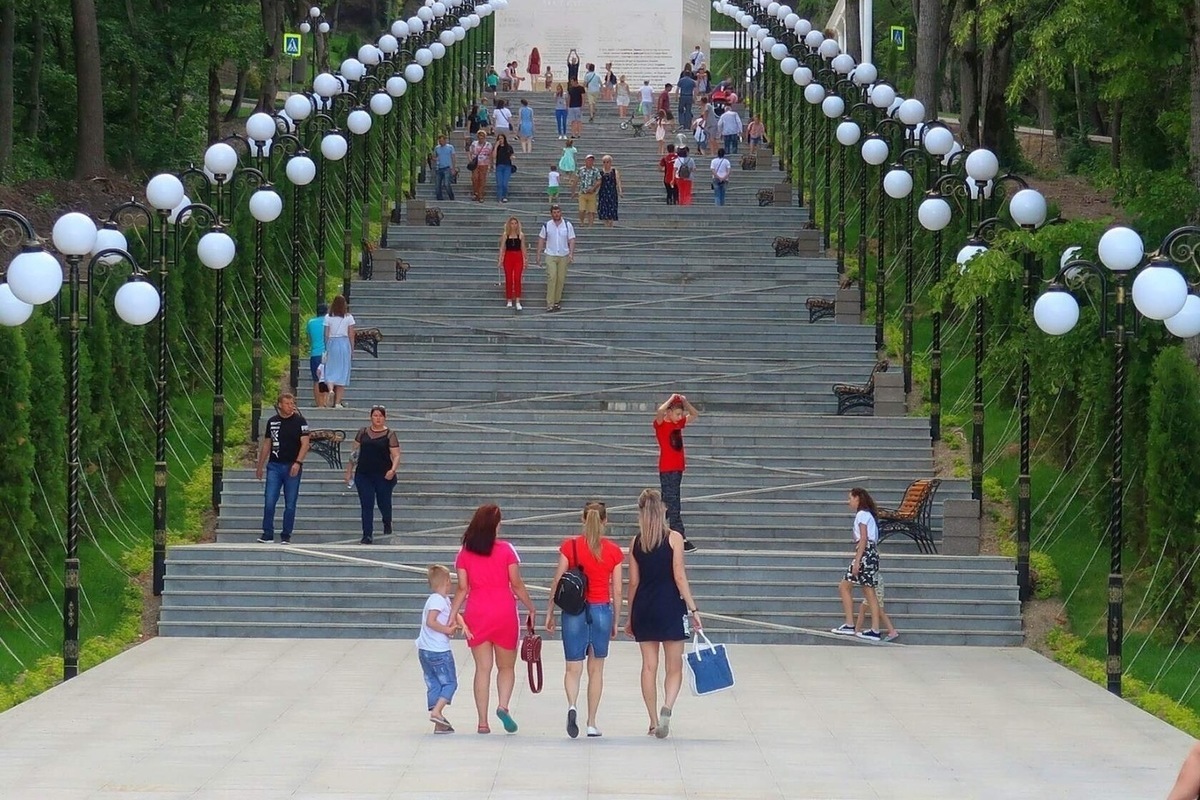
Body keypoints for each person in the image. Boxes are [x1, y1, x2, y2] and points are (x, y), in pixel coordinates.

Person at [447, 504, 538, 735]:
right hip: (504, 612)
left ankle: (482, 722)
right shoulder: (507, 550)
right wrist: (530, 606)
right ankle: (503, 706)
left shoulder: (464, 553)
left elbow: (462, 588)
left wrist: (452, 615)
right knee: (506, 667)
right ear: (495, 525)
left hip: (477, 613)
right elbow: (516, 584)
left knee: (482, 669)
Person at [625, 488, 702, 739]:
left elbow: (633, 582)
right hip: (670, 605)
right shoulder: (674, 538)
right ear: (663, 510)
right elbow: (679, 575)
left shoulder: (636, 542)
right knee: (674, 665)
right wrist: (693, 608)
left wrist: (629, 615)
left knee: (649, 666)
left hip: (644, 607)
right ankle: (667, 707)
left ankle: (651, 720)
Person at [545, 501, 624, 739]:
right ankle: (591, 722)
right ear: (605, 521)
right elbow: (618, 590)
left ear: (582, 519)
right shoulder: (612, 551)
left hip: (574, 611)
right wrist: (616, 620)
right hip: (601, 610)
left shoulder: (569, 547)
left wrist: (549, 611)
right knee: (596, 669)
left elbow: (557, 581)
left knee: (573, 667)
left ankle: (571, 706)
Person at [255, 393, 311, 544]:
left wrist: (298, 462)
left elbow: (305, 443)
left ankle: (286, 534)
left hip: (292, 464)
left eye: (292, 403)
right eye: (287, 403)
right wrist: (260, 465)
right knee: (269, 500)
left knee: (290, 502)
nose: (290, 406)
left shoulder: (300, 421)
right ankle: (267, 533)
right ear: (280, 405)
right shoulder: (272, 422)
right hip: (274, 465)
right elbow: (267, 443)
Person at [418, 564, 467, 734]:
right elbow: (431, 621)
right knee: (450, 683)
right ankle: (437, 712)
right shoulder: (438, 600)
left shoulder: (440, 599)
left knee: (434, 683)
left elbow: (455, 612)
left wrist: (463, 625)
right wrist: (447, 630)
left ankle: (439, 723)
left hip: (424, 650)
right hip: (438, 650)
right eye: (451, 580)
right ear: (446, 581)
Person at [831, 487, 886, 641]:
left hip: (865, 554)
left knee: (846, 587)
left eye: (850, 498)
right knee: (868, 592)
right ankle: (873, 629)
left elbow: (863, 538)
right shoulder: (868, 515)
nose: (849, 502)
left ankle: (851, 624)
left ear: (857, 499)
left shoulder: (862, 515)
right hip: (871, 554)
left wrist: (857, 561)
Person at [342, 404, 401, 544]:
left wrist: (392, 470)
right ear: (371, 417)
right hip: (364, 474)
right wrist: (349, 471)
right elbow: (354, 454)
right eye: (375, 415)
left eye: (380, 416)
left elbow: (396, 455)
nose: (378, 418)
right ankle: (367, 534)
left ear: (385, 418)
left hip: (383, 474)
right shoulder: (362, 432)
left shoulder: (390, 434)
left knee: (383, 502)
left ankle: (387, 521)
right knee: (366, 503)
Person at [654, 393, 699, 552]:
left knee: (668, 502)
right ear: (669, 413)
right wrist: (671, 399)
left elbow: (694, 414)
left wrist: (685, 402)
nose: (680, 416)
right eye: (677, 413)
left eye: (681, 414)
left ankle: (659, 531)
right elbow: (660, 411)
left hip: (677, 469)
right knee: (673, 503)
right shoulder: (662, 425)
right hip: (668, 469)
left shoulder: (677, 424)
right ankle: (680, 535)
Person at [536, 204, 576, 313]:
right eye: (554, 212)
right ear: (551, 214)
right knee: (552, 277)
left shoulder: (567, 225)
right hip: (551, 254)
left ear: (561, 212)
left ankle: (557, 301)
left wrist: (571, 254)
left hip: (563, 254)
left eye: (558, 212)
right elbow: (541, 239)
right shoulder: (547, 225)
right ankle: (550, 303)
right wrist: (538, 255)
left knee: (561, 279)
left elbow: (571, 240)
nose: (556, 214)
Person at [323, 293, 354, 408]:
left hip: (332, 343)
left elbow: (326, 334)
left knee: (330, 369)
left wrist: (327, 346)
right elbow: (351, 334)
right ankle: (337, 402)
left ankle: (331, 390)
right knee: (342, 371)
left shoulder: (328, 317)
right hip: (344, 343)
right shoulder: (348, 317)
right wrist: (352, 349)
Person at [855, 577, 900, 642]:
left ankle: (892, 631)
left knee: (877, 610)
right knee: (865, 608)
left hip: (874, 584)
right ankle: (857, 631)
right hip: (873, 583)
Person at [497, 216, 527, 310]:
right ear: (509, 224)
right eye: (512, 223)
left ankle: (518, 300)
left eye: (515, 223)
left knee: (517, 278)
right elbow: (502, 248)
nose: (514, 225)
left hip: (518, 257)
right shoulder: (505, 234)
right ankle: (509, 299)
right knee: (509, 278)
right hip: (508, 257)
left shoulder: (521, 235)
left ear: (518, 224)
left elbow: (523, 248)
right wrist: (500, 259)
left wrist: (525, 259)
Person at [306, 303, 328, 408]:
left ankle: (318, 403)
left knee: (316, 379)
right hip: (326, 353)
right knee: (326, 378)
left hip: (314, 353)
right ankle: (324, 402)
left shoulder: (311, 323)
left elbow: (309, 338)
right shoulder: (328, 322)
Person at [575, 153, 601, 226]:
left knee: (591, 211)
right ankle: (582, 222)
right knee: (582, 209)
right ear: (585, 161)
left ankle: (590, 225)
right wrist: (573, 191)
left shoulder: (595, 170)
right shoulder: (581, 170)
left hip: (592, 193)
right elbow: (576, 180)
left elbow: (599, 180)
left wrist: (594, 188)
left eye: (592, 160)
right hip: (582, 192)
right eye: (589, 160)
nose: (590, 162)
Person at [597, 154, 622, 227]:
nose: (606, 164)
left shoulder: (614, 171)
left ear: (610, 162)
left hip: (612, 193)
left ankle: (610, 225)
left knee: (611, 209)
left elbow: (618, 181)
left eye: (607, 162)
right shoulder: (601, 172)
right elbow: (599, 182)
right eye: (604, 162)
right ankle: (606, 225)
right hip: (603, 193)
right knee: (604, 210)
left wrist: (620, 191)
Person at [469, 130, 493, 202]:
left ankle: (480, 194)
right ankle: (475, 192)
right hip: (476, 163)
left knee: (482, 179)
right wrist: (470, 160)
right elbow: (470, 152)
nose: (481, 138)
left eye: (482, 137)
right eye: (479, 136)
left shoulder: (488, 145)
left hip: (484, 163)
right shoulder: (474, 144)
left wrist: (490, 164)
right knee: (475, 178)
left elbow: (490, 155)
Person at [493, 133, 515, 203]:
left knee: (504, 183)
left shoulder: (509, 147)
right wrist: (496, 146)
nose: (500, 140)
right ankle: (499, 197)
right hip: (499, 166)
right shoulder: (497, 148)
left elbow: (511, 155)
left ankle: (504, 196)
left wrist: (512, 157)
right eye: (499, 139)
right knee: (499, 183)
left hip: (507, 166)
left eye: (502, 138)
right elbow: (493, 156)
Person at [434, 134, 456, 201]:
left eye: (442, 141)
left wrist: (453, 168)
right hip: (439, 168)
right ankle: (439, 198)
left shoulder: (450, 147)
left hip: (447, 168)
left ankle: (451, 197)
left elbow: (453, 157)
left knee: (446, 184)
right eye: (440, 141)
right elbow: (435, 156)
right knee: (437, 185)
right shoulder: (437, 148)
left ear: (445, 140)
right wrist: (434, 159)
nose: (441, 142)